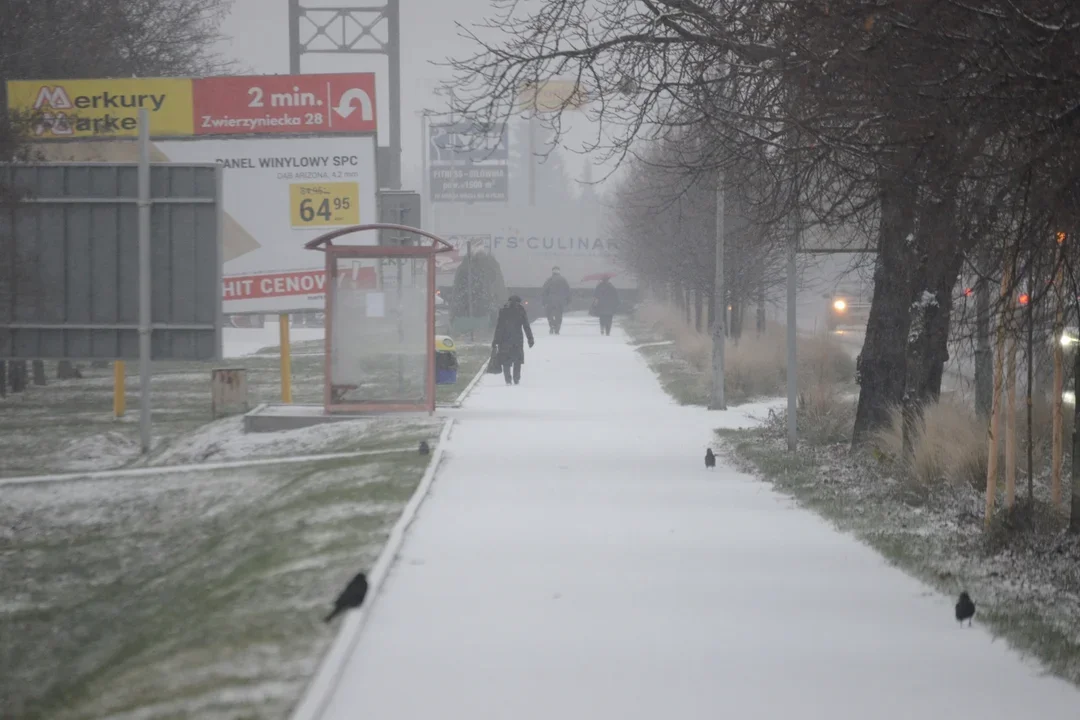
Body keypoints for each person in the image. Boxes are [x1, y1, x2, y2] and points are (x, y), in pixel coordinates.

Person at [493, 295, 535, 385]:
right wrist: (530, 339)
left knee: (506, 360)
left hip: (504, 339)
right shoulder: (520, 310)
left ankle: (508, 379)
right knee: (517, 360)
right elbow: (526, 326)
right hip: (517, 339)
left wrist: (495, 340)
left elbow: (499, 327)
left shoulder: (504, 310)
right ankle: (516, 378)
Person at [540, 266, 572, 335]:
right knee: (559, 314)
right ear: (559, 271)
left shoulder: (549, 280)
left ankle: (551, 325)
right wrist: (568, 300)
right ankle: (557, 328)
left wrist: (543, 302)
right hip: (560, 301)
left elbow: (544, 291)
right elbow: (567, 291)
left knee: (549, 314)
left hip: (550, 300)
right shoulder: (563, 280)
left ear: (552, 271)